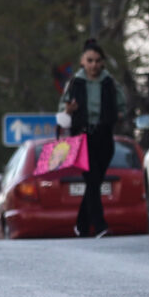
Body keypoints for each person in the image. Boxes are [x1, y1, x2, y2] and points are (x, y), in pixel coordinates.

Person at [58, 37, 128, 237]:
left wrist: (118, 115)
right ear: (82, 61)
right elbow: (61, 115)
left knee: (94, 182)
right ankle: (99, 226)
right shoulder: (75, 83)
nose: (94, 65)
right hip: (82, 138)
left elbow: (122, 106)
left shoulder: (109, 82)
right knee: (92, 178)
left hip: (104, 136)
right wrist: (68, 110)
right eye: (90, 61)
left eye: (97, 61)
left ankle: (81, 225)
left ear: (103, 62)